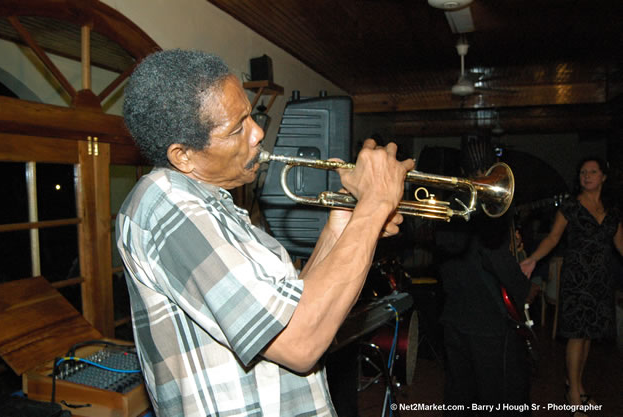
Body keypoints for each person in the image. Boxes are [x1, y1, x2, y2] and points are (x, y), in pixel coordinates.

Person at [115, 49, 414, 417]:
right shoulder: (167, 203)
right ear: (184, 156)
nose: (257, 133)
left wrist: (344, 220)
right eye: (237, 128)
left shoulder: (216, 205)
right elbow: (299, 342)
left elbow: (294, 309)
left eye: (250, 116)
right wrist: (375, 205)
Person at [435, 136, 539, 415]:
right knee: (500, 398)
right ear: (493, 165)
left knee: (460, 396)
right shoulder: (490, 202)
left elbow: (452, 254)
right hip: (489, 323)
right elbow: (497, 260)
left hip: (454, 316)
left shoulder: (451, 200)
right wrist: (525, 288)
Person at [520, 157, 623, 415]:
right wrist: (532, 259)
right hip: (577, 278)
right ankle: (574, 394)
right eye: (582, 172)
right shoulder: (571, 207)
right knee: (577, 334)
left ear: (603, 177)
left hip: (601, 279)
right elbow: (553, 238)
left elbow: (621, 245)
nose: (586, 176)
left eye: (592, 172)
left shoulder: (612, 209)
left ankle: (575, 385)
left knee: (588, 335)